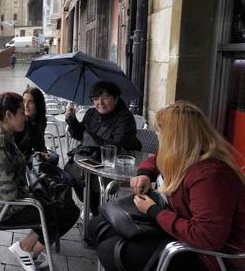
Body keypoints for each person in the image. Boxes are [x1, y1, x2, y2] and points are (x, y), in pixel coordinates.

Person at [91, 101, 245, 271]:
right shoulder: (185, 155)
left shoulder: (212, 177)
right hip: (177, 226)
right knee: (99, 227)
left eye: (160, 130)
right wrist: (145, 174)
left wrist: (153, 211)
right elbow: (157, 159)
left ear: (175, 137)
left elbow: (206, 238)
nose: (157, 135)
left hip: (209, 257)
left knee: (109, 250)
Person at [0, 88, 79, 270]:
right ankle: (25, 248)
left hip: (1, 197)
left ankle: (27, 249)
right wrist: (38, 196)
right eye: (21, 113)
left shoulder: (1, 131)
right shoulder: (0, 143)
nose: (25, 116)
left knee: (60, 205)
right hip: (1, 207)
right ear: (9, 115)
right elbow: (10, 196)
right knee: (61, 210)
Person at [64, 81, 140, 215]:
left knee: (92, 179)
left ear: (116, 98)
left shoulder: (125, 118)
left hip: (114, 163)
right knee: (71, 171)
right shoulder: (91, 113)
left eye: (105, 98)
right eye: (95, 99)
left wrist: (91, 136)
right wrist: (72, 120)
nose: (100, 102)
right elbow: (79, 135)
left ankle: (98, 211)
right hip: (91, 159)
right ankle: (90, 205)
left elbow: (118, 145)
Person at [14, 86, 47, 158]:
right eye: (24, 101)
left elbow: (39, 145)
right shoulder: (20, 123)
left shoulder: (39, 121)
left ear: (38, 104)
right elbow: (19, 153)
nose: (26, 105)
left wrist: (43, 154)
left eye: (30, 102)